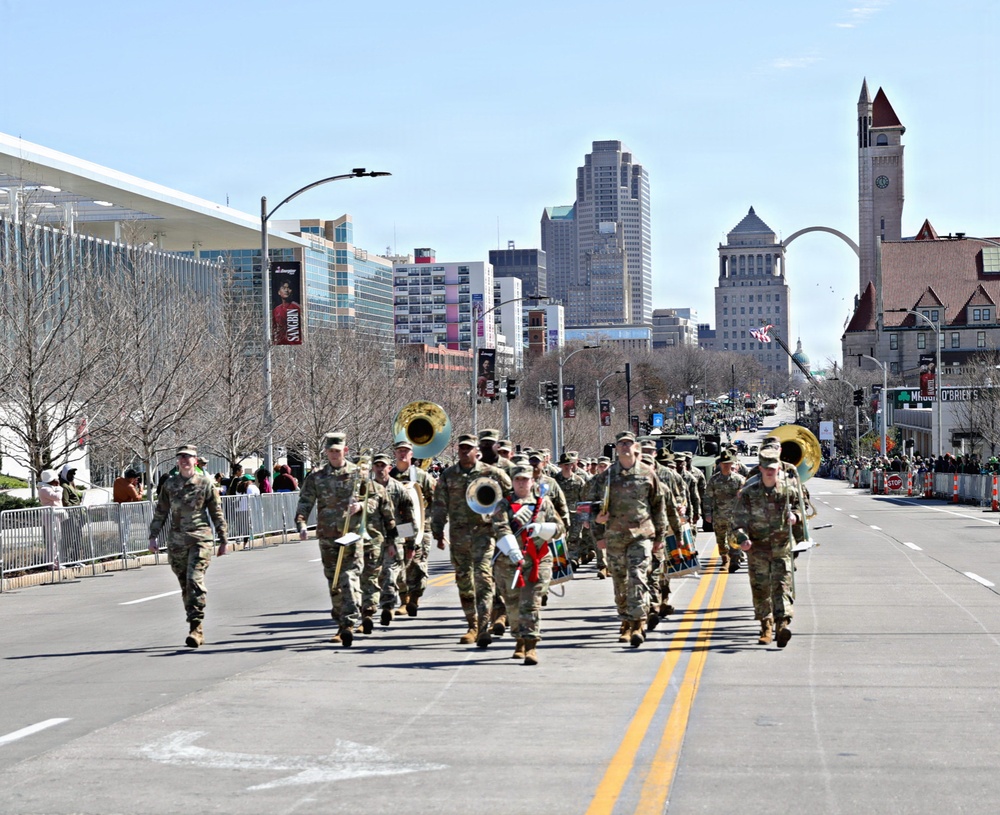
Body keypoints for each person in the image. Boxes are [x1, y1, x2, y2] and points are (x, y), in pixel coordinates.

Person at [295, 432, 396, 647]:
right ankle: (341, 624)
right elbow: (305, 501)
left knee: (349, 577)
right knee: (334, 583)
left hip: (351, 535)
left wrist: (361, 506)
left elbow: (374, 498)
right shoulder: (317, 477)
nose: (334, 454)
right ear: (325, 452)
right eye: (330, 451)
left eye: (337, 451)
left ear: (345, 451)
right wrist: (301, 524)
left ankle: (349, 623)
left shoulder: (357, 474)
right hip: (328, 537)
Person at [430, 433, 512, 647]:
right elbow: (439, 504)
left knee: (484, 579)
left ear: (477, 450)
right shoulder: (448, 475)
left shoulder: (492, 473)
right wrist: (437, 532)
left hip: (484, 534)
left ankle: (483, 627)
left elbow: (512, 496)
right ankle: (472, 624)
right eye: (461, 448)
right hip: (458, 537)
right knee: (464, 582)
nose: (465, 451)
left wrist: (505, 522)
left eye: (469, 448)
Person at [588, 431, 667, 648]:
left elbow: (658, 506)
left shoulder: (647, 474)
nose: (625, 447)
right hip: (614, 536)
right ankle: (624, 620)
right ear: (616, 448)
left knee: (637, 577)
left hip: (641, 535)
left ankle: (638, 623)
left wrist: (660, 537)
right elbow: (590, 507)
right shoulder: (606, 477)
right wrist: (598, 530)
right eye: (621, 443)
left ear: (635, 448)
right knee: (620, 582)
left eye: (629, 443)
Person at [148, 445, 229, 648]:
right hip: (176, 542)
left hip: (200, 539)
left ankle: (196, 628)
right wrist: (153, 536)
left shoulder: (205, 483)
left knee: (194, 580)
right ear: (177, 461)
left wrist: (223, 539)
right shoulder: (170, 484)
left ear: (195, 460)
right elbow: (161, 511)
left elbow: (216, 512)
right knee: (185, 585)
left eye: (188, 457)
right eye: (181, 457)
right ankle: (193, 623)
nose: (184, 460)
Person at [491, 464, 566, 665]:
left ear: (532, 481)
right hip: (508, 563)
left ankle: (531, 645)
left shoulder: (543, 503)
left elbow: (560, 529)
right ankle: (519, 640)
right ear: (512, 482)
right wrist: (512, 549)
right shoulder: (503, 505)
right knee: (513, 604)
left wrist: (542, 528)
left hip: (538, 560)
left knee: (530, 603)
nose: (522, 483)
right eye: (518, 480)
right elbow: (499, 527)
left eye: (525, 479)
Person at [731, 449, 804, 648]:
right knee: (761, 590)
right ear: (761, 469)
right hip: (758, 550)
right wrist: (743, 539)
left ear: (778, 468)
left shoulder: (788, 491)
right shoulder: (748, 493)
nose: (770, 472)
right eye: (767, 469)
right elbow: (737, 522)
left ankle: (782, 625)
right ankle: (766, 626)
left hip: (782, 548)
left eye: (774, 468)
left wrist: (795, 517)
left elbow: (800, 509)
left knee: (782, 587)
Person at [368, 452, 416, 628]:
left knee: (391, 572)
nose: (380, 469)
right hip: (373, 538)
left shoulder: (398, 489)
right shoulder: (366, 489)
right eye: (377, 465)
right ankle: (404, 597)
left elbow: (409, 516)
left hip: (395, 537)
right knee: (380, 575)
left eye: (383, 465)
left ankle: (388, 607)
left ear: (389, 467)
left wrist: (410, 542)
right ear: (373, 467)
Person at [389, 440, 436, 617]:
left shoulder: (422, 476)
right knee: (400, 564)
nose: (403, 454)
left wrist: (427, 519)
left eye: (406, 451)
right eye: (399, 451)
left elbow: (436, 499)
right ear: (395, 454)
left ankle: (415, 598)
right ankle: (404, 599)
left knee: (417, 563)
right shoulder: (389, 476)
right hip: (399, 527)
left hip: (420, 528)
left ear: (411, 454)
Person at [703, 450, 746, 572]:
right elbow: (707, 497)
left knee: (734, 539)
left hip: (735, 517)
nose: (726, 466)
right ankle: (724, 559)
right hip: (719, 516)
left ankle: (734, 559)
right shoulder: (714, 480)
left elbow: (745, 497)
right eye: (724, 463)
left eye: (728, 463)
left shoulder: (739, 480)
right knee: (721, 540)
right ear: (720, 464)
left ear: (732, 464)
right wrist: (707, 513)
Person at [272, 279, 302, 345]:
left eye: (289, 288)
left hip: (295, 344)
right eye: (283, 288)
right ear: (279, 292)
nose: (286, 290)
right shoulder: (276, 310)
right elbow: (274, 328)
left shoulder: (297, 307)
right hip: (279, 345)